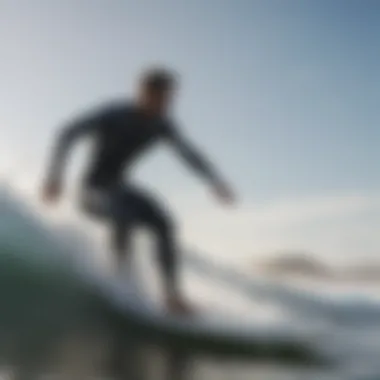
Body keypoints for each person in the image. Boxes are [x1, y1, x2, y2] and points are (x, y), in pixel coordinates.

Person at [41, 67, 236, 315]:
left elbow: (189, 154)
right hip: (91, 192)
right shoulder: (114, 114)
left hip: (118, 188)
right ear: (142, 93)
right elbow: (67, 133)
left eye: (169, 99)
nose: (164, 104)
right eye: (160, 98)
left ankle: (172, 297)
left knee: (164, 222)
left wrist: (214, 181)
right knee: (123, 211)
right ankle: (120, 283)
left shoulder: (162, 125)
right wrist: (54, 178)